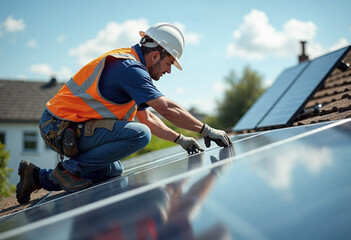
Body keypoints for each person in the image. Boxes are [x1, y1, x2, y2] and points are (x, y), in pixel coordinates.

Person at [16, 23, 232, 204]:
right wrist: (206, 130)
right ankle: (66, 170)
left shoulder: (132, 68)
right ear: (156, 55)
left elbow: (147, 118)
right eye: (168, 64)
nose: (168, 71)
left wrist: (180, 139)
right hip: (60, 127)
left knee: (112, 170)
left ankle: (36, 177)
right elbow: (165, 108)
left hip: (72, 127)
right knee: (139, 135)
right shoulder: (129, 68)